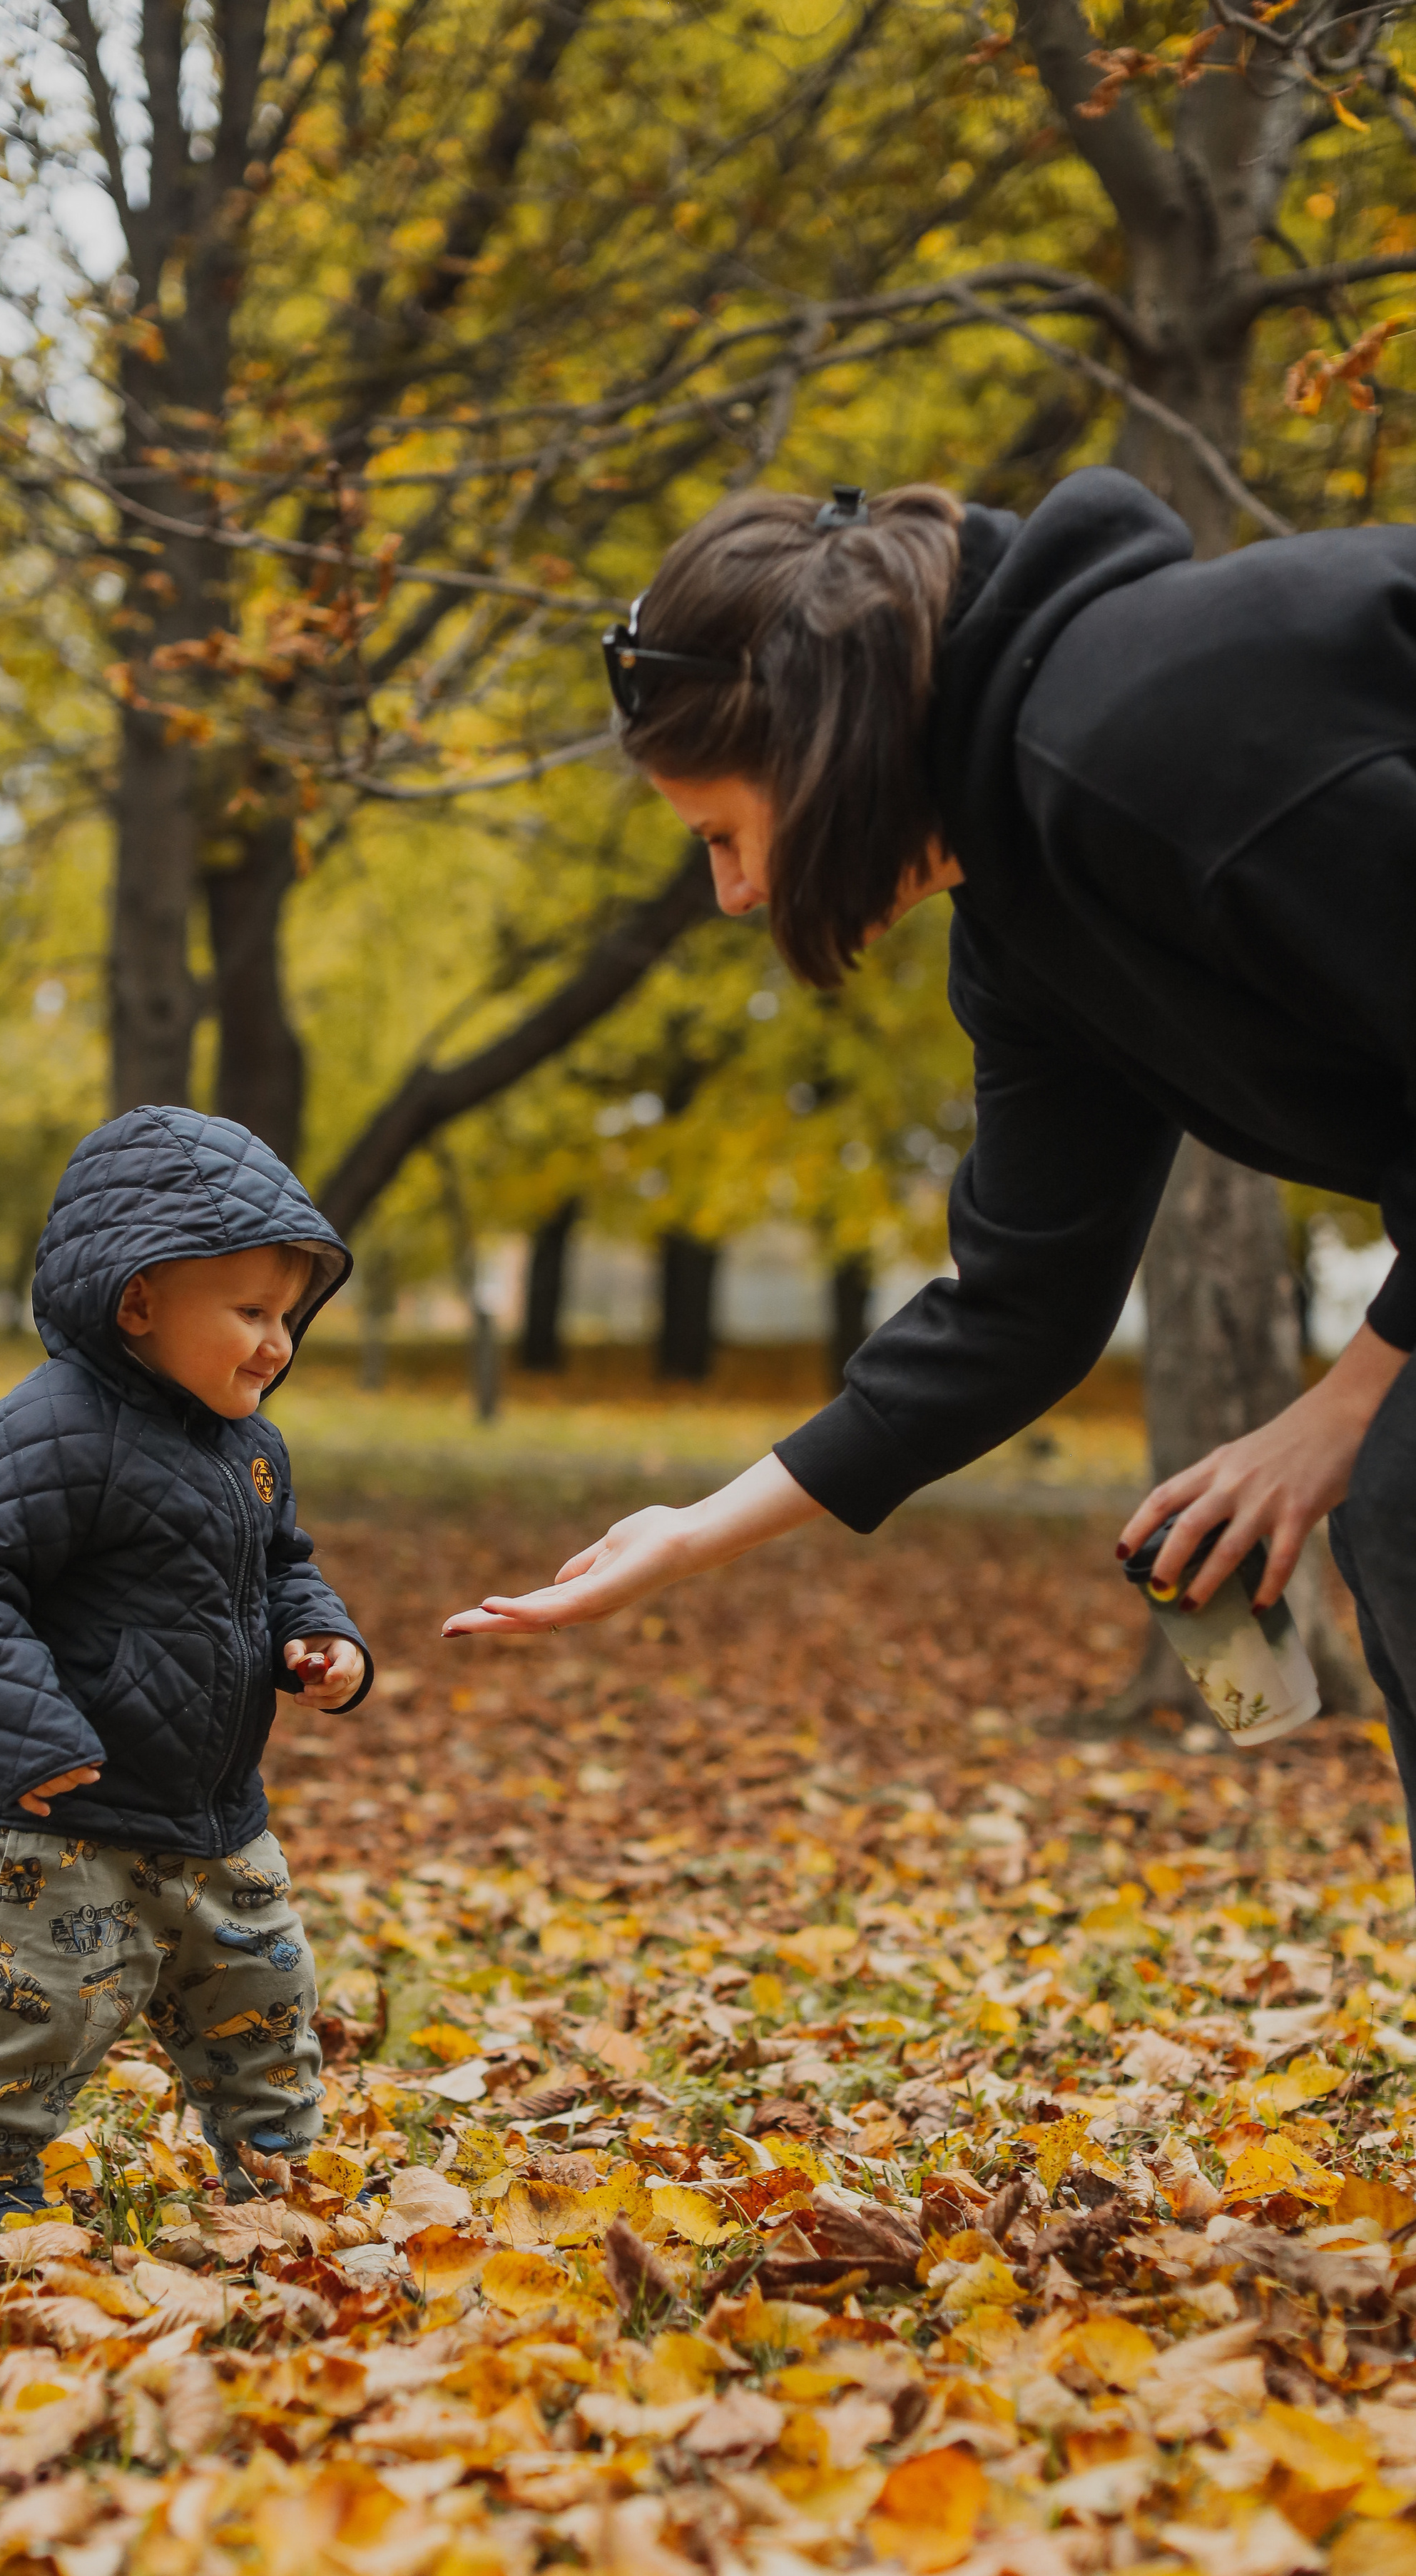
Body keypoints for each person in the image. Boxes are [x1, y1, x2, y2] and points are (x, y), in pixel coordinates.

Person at [445, 467, 1416, 1823]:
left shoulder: (1152, 735)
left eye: (725, 834)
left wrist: (1340, 1408)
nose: (735, 894)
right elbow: (1020, 1306)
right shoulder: (1025, 927)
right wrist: (690, 1535)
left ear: (817, 745)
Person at [0, 1107, 372, 2232]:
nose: (278, 1344)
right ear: (139, 1303)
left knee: (268, 2004)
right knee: (42, 2019)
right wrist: (30, 1734)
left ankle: (274, 2187)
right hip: (68, 1817)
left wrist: (324, 1640)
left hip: (220, 1818)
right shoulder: (52, 1430)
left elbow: (284, 1566)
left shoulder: (252, 1448)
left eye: (289, 1316)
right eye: (250, 1313)